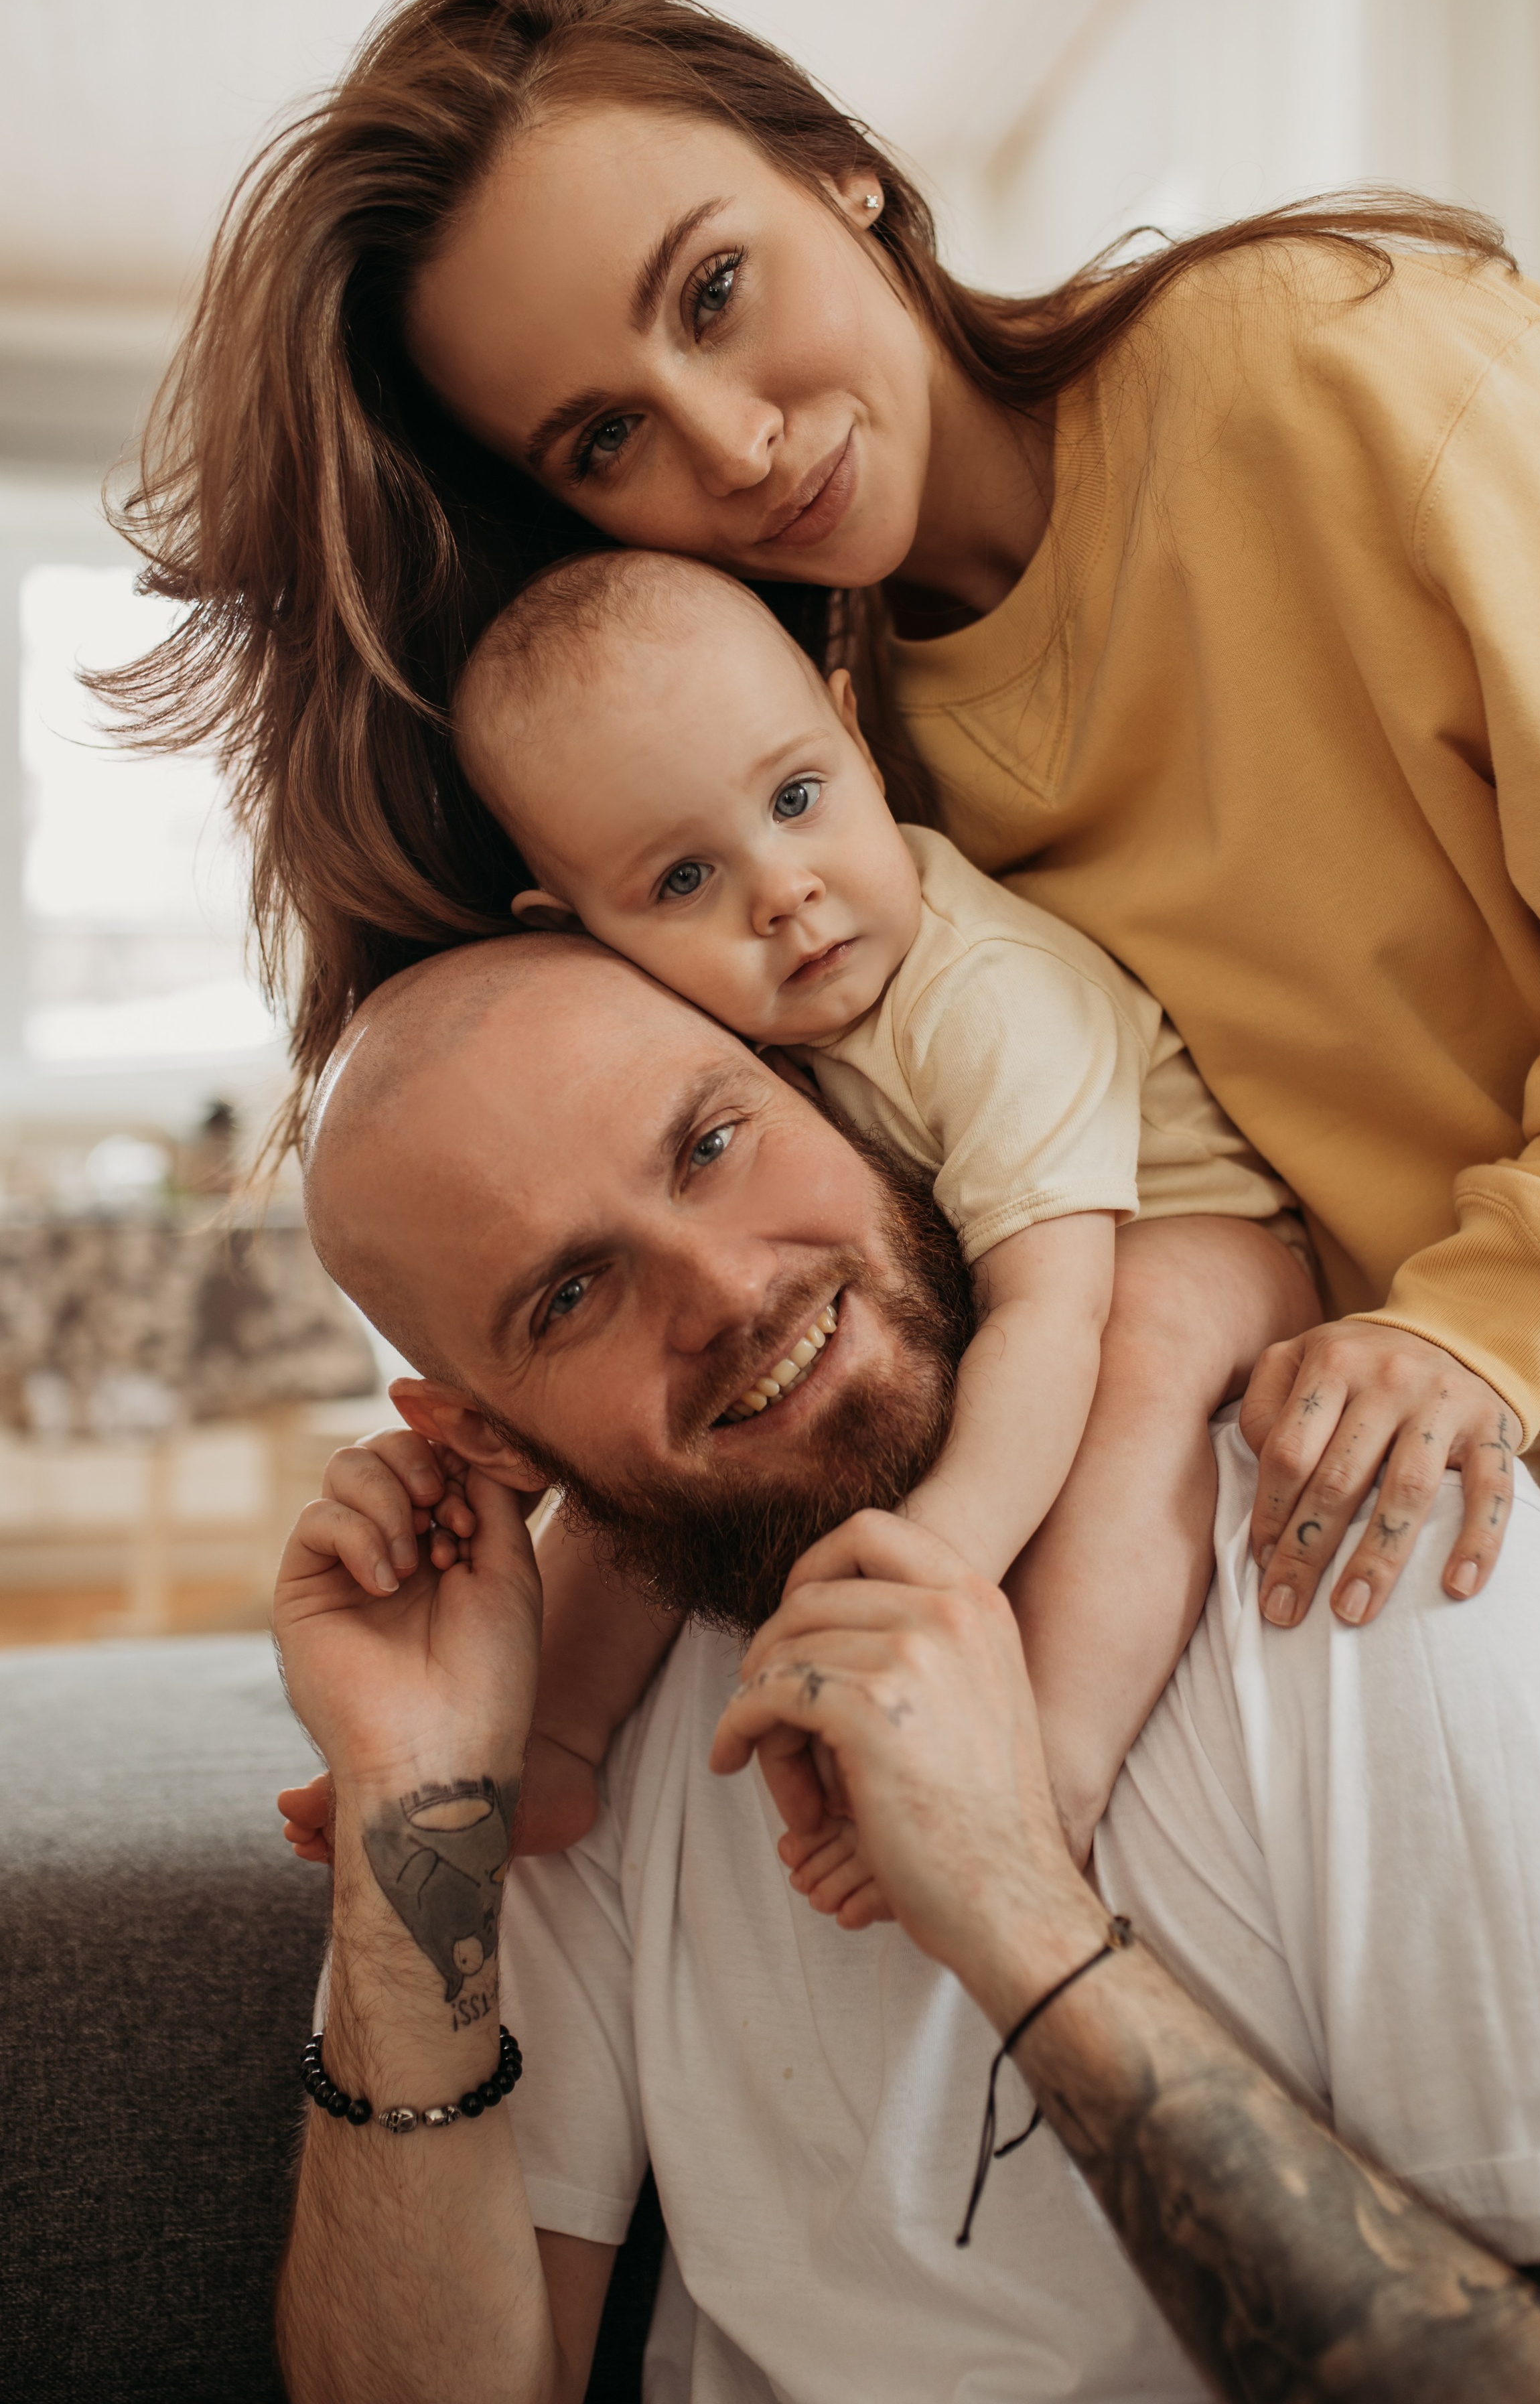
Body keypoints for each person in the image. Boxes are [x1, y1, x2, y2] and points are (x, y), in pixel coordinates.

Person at [101, 0, 1540, 1810]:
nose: (731, 444)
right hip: (1370, 1503)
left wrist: (1480, 1327)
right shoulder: (793, 768)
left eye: (716, 292)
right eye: (604, 438)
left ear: (837, 166)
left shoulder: (1340, 370)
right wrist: (498, 1493)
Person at [273, 930, 1540, 2403]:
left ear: (833, 1089)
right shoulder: (566, 1707)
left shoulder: (1363, 1541)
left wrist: (1016, 1903)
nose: (721, 1289)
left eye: (712, 1143)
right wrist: (411, 1799)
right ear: (493, 1444)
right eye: (570, 1296)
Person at [421, 542, 1311, 1890]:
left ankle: (1049, 1778)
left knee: (1135, 1349)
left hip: (1182, 1236)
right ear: (585, 935)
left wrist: (938, 1554)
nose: (781, 890)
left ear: (855, 736)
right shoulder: (704, 1036)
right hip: (977, 1256)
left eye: (793, 796)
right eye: (679, 883)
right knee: (649, 1447)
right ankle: (549, 1742)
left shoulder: (991, 997)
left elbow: (1047, 1308)